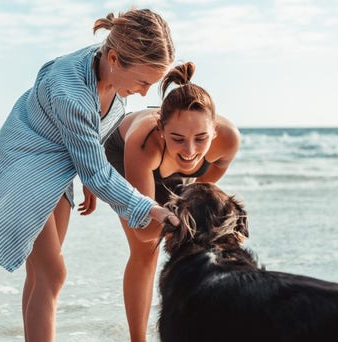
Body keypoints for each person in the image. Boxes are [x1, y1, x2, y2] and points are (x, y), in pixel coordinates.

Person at [0, 9, 177, 342]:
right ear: (114, 58)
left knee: (40, 276)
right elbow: (96, 169)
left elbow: (90, 149)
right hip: (24, 168)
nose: (143, 94)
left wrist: (86, 172)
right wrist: (149, 207)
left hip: (59, 169)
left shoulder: (109, 69)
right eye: (142, 82)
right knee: (53, 274)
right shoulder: (71, 93)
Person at [93, 61, 241, 341]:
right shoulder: (145, 141)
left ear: (213, 132)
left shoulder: (228, 140)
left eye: (201, 139)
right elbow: (144, 228)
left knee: (199, 244)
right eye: (178, 138)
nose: (190, 150)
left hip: (166, 169)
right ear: (162, 130)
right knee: (146, 248)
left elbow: (206, 182)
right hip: (123, 153)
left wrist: (186, 209)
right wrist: (175, 217)